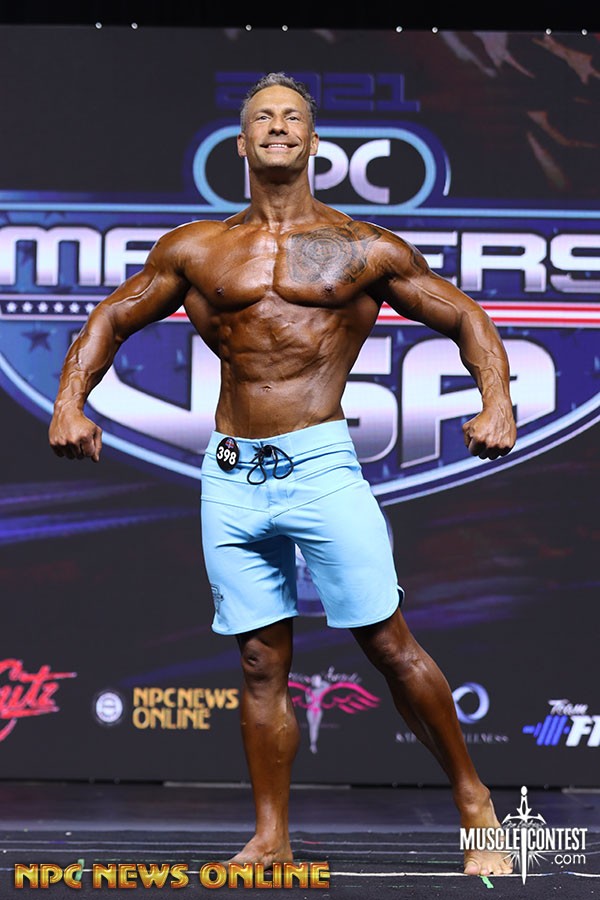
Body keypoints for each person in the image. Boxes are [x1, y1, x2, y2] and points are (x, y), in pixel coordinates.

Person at [49, 72, 517, 877]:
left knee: (387, 643)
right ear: (242, 142)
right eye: (262, 117)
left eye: (291, 117)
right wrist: (70, 404)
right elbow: (114, 316)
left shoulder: (359, 247)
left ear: (312, 141)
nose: (276, 126)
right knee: (260, 662)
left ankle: (475, 801)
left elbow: (465, 316)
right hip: (231, 474)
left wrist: (497, 403)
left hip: (320, 467)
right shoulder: (196, 249)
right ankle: (271, 839)